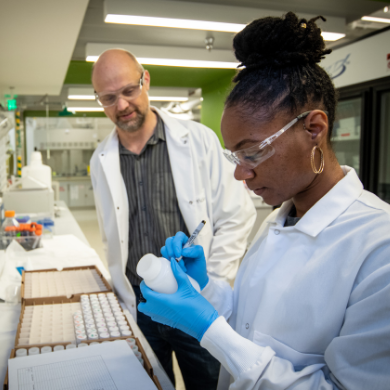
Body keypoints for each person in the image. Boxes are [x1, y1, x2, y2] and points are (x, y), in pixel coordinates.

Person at [138, 12, 390, 390]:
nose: (241, 174)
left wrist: (209, 332)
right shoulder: (278, 221)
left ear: (313, 129)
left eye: (252, 152)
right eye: (234, 158)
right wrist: (204, 290)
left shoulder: (379, 249)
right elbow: (251, 325)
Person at [90, 49, 256, 389]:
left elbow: (236, 217)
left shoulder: (199, 141)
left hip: (194, 302)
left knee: (207, 382)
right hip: (141, 305)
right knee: (149, 382)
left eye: (128, 91)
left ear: (145, 80)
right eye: (108, 98)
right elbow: (110, 234)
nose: (121, 105)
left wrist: (210, 285)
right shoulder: (100, 160)